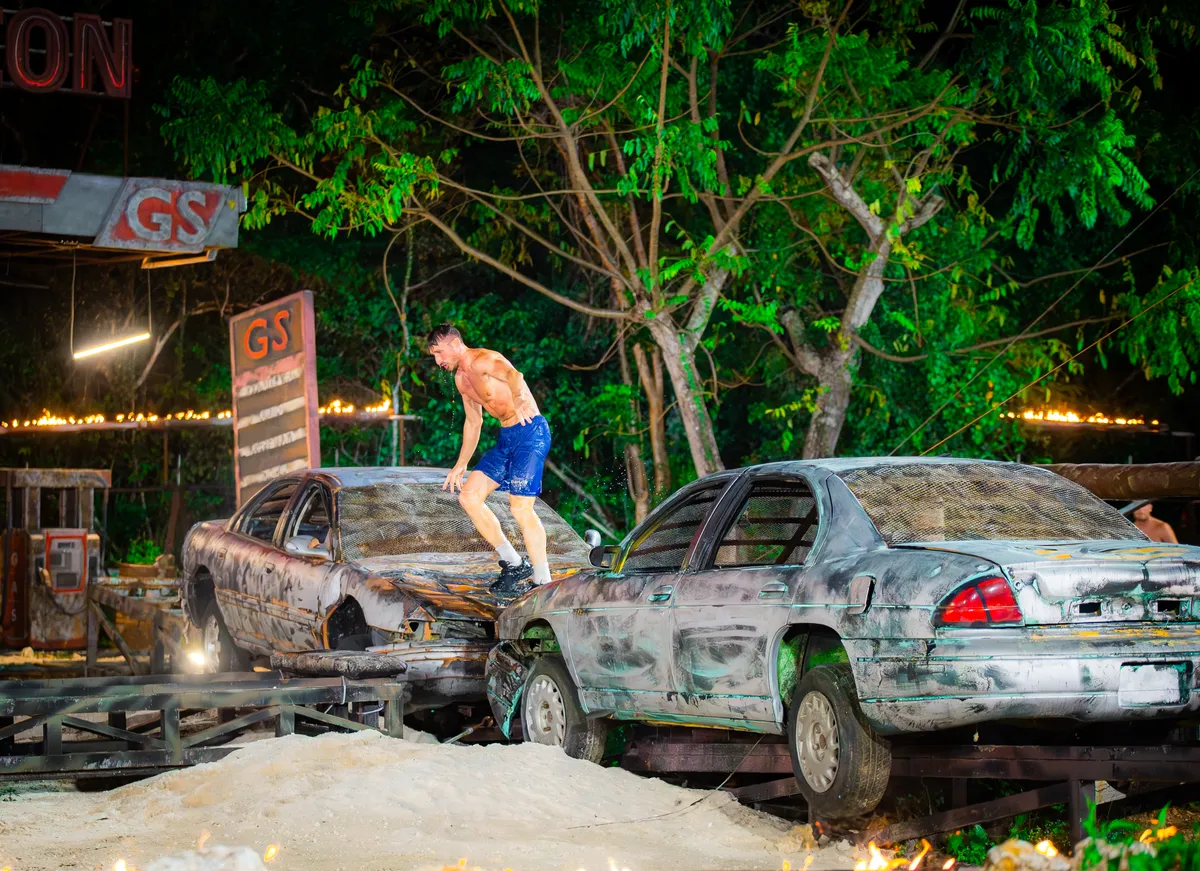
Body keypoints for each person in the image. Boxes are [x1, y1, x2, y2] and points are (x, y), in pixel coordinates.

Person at [428, 324, 553, 588]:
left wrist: (519, 399)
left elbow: (514, 375)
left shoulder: (483, 359)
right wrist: (461, 464)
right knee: (469, 497)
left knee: (520, 508)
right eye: (434, 356)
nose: (438, 360)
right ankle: (515, 563)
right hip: (506, 439)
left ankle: (543, 580)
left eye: (439, 352)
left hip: (531, 432)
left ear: (454, 344)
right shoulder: (461, 380)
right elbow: (473, 422)